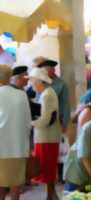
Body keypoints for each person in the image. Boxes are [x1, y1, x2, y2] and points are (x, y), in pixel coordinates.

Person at [28, 67, 60, 200]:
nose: (31, 84)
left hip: (46, 138)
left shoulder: (47, 94)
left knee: (47, 170)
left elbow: (45, 120)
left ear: (39, 81)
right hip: (47, 138)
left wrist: (29, 123)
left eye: (33, 81)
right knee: (49, 170)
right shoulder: (47, 93)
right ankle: (51, 196)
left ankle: (50, 196)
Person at [0, 65, 31, 200]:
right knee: (15, 184)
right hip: (18, 146)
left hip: (1, 146)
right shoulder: (22, 94)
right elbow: (27, 122)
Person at [38, 59, 70, 132]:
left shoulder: (61, 84)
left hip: (56, 120)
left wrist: (64, 123)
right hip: (41, 120)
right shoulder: (39, 83)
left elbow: (66, 105)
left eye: (47, 70)